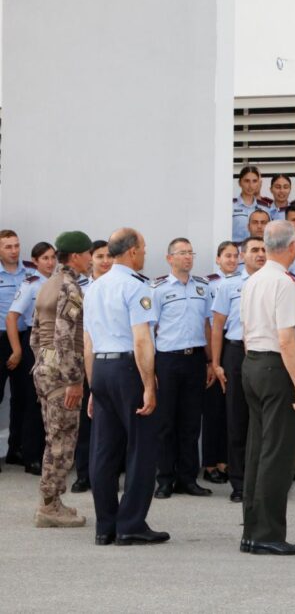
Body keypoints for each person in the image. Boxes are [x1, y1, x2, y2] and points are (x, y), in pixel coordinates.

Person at [83, 228, 166, 546]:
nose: (145, 253)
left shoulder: (95, 287)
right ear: (132, 251)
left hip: (102, 367)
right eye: (143, 247)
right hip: (128, 367)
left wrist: (93, 386)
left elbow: (87, 344)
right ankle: (131, 523)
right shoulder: (136, 287)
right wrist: (148, 385)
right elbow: (142, 339)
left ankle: (105, 525)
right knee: (141, 447)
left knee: (103, 450)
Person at [238, 220, 295, 556]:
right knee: (277, 453)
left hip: (253, 362)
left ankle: (252, 531)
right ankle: (267, 533)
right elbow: (286, 338)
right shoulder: (283, 283)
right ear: (292, 246)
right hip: (276, 366)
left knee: (257, 450)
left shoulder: (252, 280)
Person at [29, 231, 92, 528]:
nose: (92, 258)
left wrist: (45, 365)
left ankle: (51, 501)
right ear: (77, 256)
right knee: (62, 441)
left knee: (53, 437)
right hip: (61, 374)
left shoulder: (47, 285)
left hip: (43, 369)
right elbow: (64, 337)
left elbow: (35, 336)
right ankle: (49, 505)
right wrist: (73, 380)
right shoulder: (70, 287)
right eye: (89, 253)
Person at [146, 238, 214, 500]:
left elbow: (208, 326)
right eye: (182, 253)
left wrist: (210, 361)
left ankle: (188, 478)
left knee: (190, 422)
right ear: (169, 258)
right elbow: (150, 329)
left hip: (195, 360)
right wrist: (150, 368)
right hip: (167, 360)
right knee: (165, 422)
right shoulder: (158, 289)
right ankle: (164, 479)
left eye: (190, 253)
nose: (188, 257)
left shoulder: (202, 288)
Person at [211, 237, 267, 502]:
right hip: (235, 353)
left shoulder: (276, 282)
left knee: (264, 419)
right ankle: (240, 483)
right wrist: (216, 362)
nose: (260, 254)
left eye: (264, 250)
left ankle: (262, 481)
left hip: (265, 352)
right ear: (242, 255)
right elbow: (217, 325)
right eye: (255, 250)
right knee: (237, 418)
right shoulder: (229, 285)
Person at [6, 241, 57, 474]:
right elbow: (12, 317)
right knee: (32, 401)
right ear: (35, 262)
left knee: (49, 400)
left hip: (55, 345)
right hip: (33, 344)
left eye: (53, 257)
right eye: (44, 258)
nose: (50, 262)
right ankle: (31, 456)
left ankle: (43, 452)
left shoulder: (59, 283)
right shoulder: (31, 284)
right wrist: (17, 350)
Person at [71, 239, 113, 493]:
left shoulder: (122, 286)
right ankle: (83, 474)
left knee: (113, 422)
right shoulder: (80, 289)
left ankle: (110, 474)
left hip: (114, 361)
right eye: (99, 256)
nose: (105, 261)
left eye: (109, 256)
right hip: (86, 359)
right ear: (91, 260)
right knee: (86, 423)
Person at [232, 166, 272, 242]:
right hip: (236, 251)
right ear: (240, 183)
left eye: (254, 181)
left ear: (258, 184)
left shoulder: (265, 208)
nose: (250, 185)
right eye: (247, 181)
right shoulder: (231, 206)